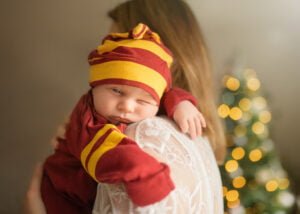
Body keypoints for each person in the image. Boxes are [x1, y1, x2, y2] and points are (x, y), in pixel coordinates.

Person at [24, 0, 226, 213]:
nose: (127, 107)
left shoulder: (146, 134)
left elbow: (155, 91)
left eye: (117, 44)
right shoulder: (196, 136)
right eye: (117, 90)